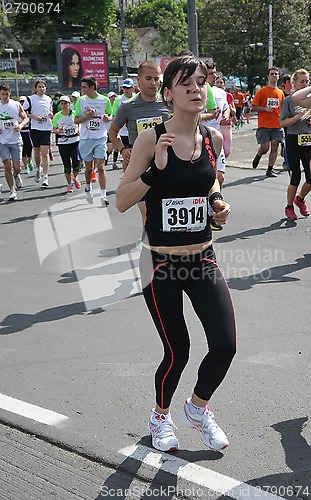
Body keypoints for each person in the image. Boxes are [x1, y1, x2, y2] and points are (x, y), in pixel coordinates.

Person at [116, 55, 236, 452]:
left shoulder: (211, 138)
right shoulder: (151, 138)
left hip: (203, 257)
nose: (195, 89)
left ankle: (197, 409)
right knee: (178, 350)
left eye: (200, 82)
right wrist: (155, 171)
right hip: (160, 262)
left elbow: (209, 184)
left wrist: (217, 202)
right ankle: (160, 417)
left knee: (225, 344)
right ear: (168, 93)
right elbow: (121, 200)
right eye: (185, 83)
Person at [109, 61, 171, 223]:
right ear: (139, 80)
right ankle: (148, 244)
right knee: (146, 211)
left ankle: (158, 243)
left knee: (164, 209)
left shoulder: (169, 104)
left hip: (165, 164)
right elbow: (113, 132)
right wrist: (122, 150)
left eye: (156, 79)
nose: (153, 83)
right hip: (140, 165)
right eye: (148, 78)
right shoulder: (128, 107)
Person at [74, 75, 112, 205]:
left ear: (92, 87)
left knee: (101, 167)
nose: (82, 89)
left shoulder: (104, 100)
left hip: (100, 137)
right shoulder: (81, 101)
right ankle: (88, 188)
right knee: (89, 168)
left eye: (84, 87)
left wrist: (108, 118)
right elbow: (76, 120)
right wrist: (86, 116)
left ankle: (103, 195)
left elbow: (110, 114)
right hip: (86, 138)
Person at [280, 69, 311, 220]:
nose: (305, 84)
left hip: (309, 142)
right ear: (294, 83)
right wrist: (298, 117)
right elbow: (281, 122)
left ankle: (299, 199)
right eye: (302, 82)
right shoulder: (289, 101)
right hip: (293, 141)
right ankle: (289, 206)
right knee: (296, 177)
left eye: (307, 82)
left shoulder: (310, 99)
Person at [251, 67, 285, 177]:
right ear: (268, 76)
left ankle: (269, 169)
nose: (274, 75)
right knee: (265, 148)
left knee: (275, 146)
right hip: (264, 125)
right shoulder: (262, 91)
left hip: (277, 124)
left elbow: (283, 108)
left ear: (278, 76)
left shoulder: (281, 93)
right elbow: (254, 106)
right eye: (272, 74)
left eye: (276, 74)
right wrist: (265, 109)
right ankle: (258, 155)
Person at [23, 78, 53, 187]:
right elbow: (23, 112)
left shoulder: (49, 99)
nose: (41, 89)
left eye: (43, 87)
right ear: (36, 88)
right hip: (35, 128)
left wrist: (50, 114)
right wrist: (34, 117)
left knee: (45, 153)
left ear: (45, 88)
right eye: (39, 87)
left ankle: (45, 177)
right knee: (37, 152)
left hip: (46, 128)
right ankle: (37, 169)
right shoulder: (30, 99)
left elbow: (50, 111)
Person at [0, 83, 28, 200]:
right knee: (7, 166)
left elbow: (25, 118)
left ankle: (16, 175)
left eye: (7, 94)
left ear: (10, 93)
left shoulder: (16, 105)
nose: (5, 96)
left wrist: (20, 126)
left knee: (17, 167)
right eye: (3, 94)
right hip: (3, 141)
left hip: (15, 140)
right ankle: (12, 190)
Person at [52, 95, 81, 193]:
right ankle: (69, 184)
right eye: (62, 103)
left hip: (74, 140)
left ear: (69, 104)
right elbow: (53, 130)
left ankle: (75, 177)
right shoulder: (57, 116)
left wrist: (79, 129)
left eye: (66, 103)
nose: (64, 105)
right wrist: (58, 130)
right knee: (67, 165)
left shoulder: (74, 113)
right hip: (63, 142)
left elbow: (79, 122)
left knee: (76, 164)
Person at [111, 79, 136, 171]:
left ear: (133, 88)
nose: (125, 89)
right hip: (123, 132)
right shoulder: (118, 100)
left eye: (128, 87)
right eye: (124, 87)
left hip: (135, 132)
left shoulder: (137, 97)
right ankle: (127, 177)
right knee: (127, 157)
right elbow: (114, 116)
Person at [215, 75, 236, 158]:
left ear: (224, 84)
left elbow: (234, 111)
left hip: (226, 125)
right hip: (215, 125)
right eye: (217, 82)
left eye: (221, 83)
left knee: (226, 151)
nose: (219, 84)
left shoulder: (229, 96)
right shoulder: (211, 94)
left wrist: (227, 105)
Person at [19, 95, 33, 174]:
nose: (23, 104)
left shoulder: (30, 113)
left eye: (24, 102)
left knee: (29, 148)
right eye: (21, 102)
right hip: (21, 133)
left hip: (29, 132)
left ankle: (30, 161)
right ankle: (26, 167)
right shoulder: (17, 113)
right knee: (23, 151)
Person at [106, 91, 120, 170]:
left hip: (117, 129)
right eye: (111, 97)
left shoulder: (117, 106)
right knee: (110, 148)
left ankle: (114, 163)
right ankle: (106, 157)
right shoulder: (107, 107)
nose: (113, 98)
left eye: (114, 97)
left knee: (116, 147)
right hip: (108, 130)